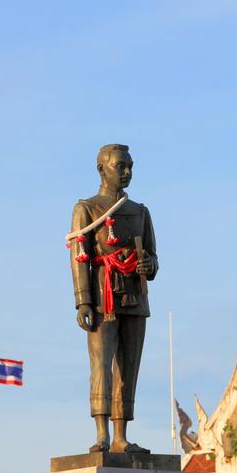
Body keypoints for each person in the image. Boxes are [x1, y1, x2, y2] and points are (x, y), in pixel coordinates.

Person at [69, 144, 157, 453]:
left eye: (130, 166)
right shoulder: (87, 209)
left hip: (134, 295)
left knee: (128, 367)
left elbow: (153, 257)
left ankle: (121, 435)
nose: (127, 172)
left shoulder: (141, 212)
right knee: (101, 364)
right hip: (102, 296)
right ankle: (102, 433)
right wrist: (82, 301)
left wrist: (149, 264)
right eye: (121, 166)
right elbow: (79, 258)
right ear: (102, 169)